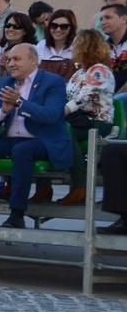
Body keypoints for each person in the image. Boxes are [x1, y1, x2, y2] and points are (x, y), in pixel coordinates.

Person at [0, 43, 73, 229]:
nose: (11, 63)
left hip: (42, 140)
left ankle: (17, 214)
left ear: (33, 61)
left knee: (22, 151)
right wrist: (3, 112)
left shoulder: (53, 82)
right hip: (10, 139)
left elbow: (52, 116)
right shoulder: (5, 82)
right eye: (9, 59)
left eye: (16, 59)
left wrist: (20, 102)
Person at [49, 30, 116, 206]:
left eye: (76, 43)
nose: (72, 47)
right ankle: (44, 187)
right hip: (77, 119)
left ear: (86, 46)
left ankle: (80, 187)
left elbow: (83, 98)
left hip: (97, 121)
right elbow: (66, 95)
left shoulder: (99, 70)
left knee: (64, 131)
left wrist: (61, 112)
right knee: (46, 128)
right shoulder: (79, 73)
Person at [0, 12, 36, 77]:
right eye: (7, 26)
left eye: (16, 27)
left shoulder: (34, 50)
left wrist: (8, 68)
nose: (10, 29)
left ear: (25, 31)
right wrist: (1, 70)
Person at [35, 9, 77, 81]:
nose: (58, 29)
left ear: (71, 28)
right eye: (54, 26)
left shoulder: (77, 47)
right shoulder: (41, 46)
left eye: (64, 26)